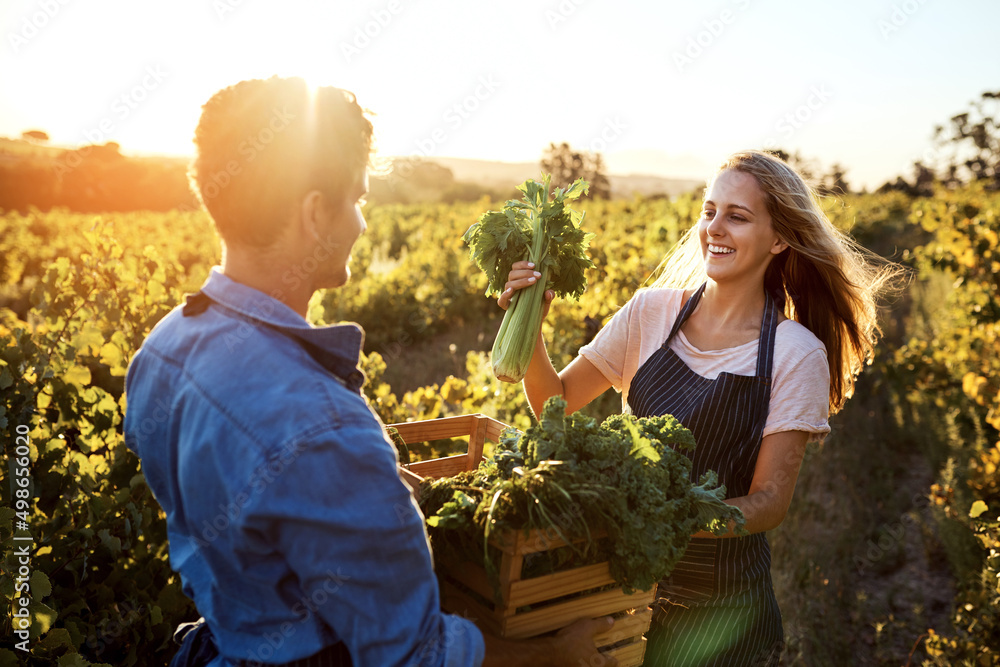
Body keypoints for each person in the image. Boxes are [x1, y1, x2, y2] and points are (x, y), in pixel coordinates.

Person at [123, 76, 617, 667]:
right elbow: (415, 656)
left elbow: (258, 511)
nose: (361, 222)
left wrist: (385, 492)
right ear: (314, 215)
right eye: (357, 198)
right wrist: (558, 656)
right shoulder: (326, 428)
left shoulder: (164, 349)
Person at [498, 150, 899, 666]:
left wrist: (666, 517)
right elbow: (554, 404)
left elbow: (770, 502)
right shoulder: (651, 312)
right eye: (709, 211)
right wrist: (529, 321)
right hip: (624, 590)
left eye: (737, 215)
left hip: (721, 611)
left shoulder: (796, 353)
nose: (715, 227)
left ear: (778, 239)